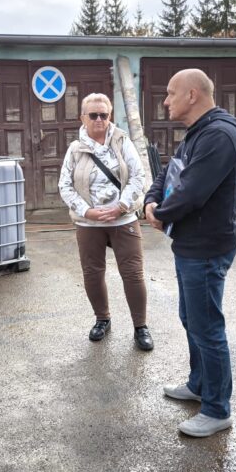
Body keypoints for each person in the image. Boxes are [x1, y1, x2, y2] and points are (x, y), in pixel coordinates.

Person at [144, 69, 236, 437]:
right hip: (190, 245)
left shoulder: (218, 135)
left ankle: (218, 409)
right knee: (192, 318)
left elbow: (192, 191)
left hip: (206, 248)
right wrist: (151, 201)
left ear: (191, 94)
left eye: (170, 94)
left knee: (207, 327)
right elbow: (170, 172)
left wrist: (161, 215)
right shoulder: (198, 133)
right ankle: (199, 385)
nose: (166, 101)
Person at [58, 93, 152, 351]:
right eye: (93, 115)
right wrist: (87, 211)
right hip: (89, 224)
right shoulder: (75, 149)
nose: (99, 119)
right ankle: (102, 319)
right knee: (93, 273)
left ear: (110, 116)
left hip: (123, 219)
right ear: (83, 118)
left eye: (104, 114)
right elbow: (64, 185)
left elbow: (138, 175)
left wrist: (122, 205)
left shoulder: (123, 141)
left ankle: (140, 326)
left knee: (133, 273)